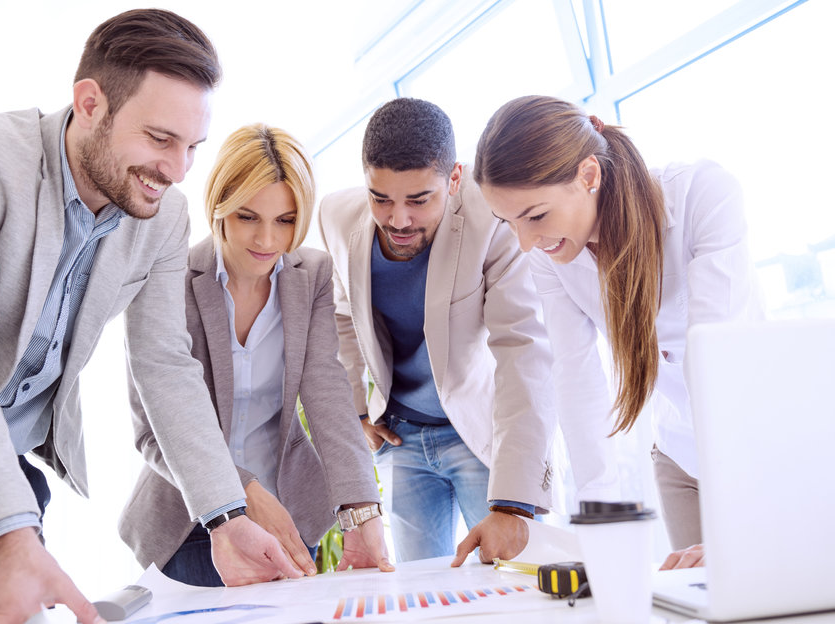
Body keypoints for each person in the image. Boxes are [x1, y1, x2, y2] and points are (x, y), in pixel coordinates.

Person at [0, 10, 302, 624]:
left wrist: (224, 516)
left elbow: (166, 365)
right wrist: (10, 533)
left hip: (1, 475)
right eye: (161, 138)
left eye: (192, 146)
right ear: (90, 102)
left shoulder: (161, 216)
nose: (177, 169)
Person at [472, 95, 763, 569]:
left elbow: (716, 358)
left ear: (589, 175)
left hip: (757, 450)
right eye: (510, 223)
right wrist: (600, 521)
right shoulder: (554, 259)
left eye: (536, 216)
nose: (525, 245)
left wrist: (739, 529)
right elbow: (576, 377)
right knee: (700, 617)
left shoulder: (701, 196)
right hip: (678, 459)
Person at [119, 124, 393, 585]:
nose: (268, 240)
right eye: (248, 217)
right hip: (186, 521)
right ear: (220, 208)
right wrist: (244, 489)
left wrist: (361, 510)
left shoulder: (312, 275)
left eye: (285, 221)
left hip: (287, 516)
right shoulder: (171, 277)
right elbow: (152, 432)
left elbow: (327, 394)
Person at [318, 98, 564, 564]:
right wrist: (356, 412)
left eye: (419, 200)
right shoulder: (335, 217)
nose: (398, 219)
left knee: (518, 583)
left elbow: (523, 348)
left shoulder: (492, 217)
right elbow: (343, 316)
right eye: (381, 198)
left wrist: (514, 500)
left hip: (479, 435)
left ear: (454, 179)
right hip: (402, 440)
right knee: (420, 598)